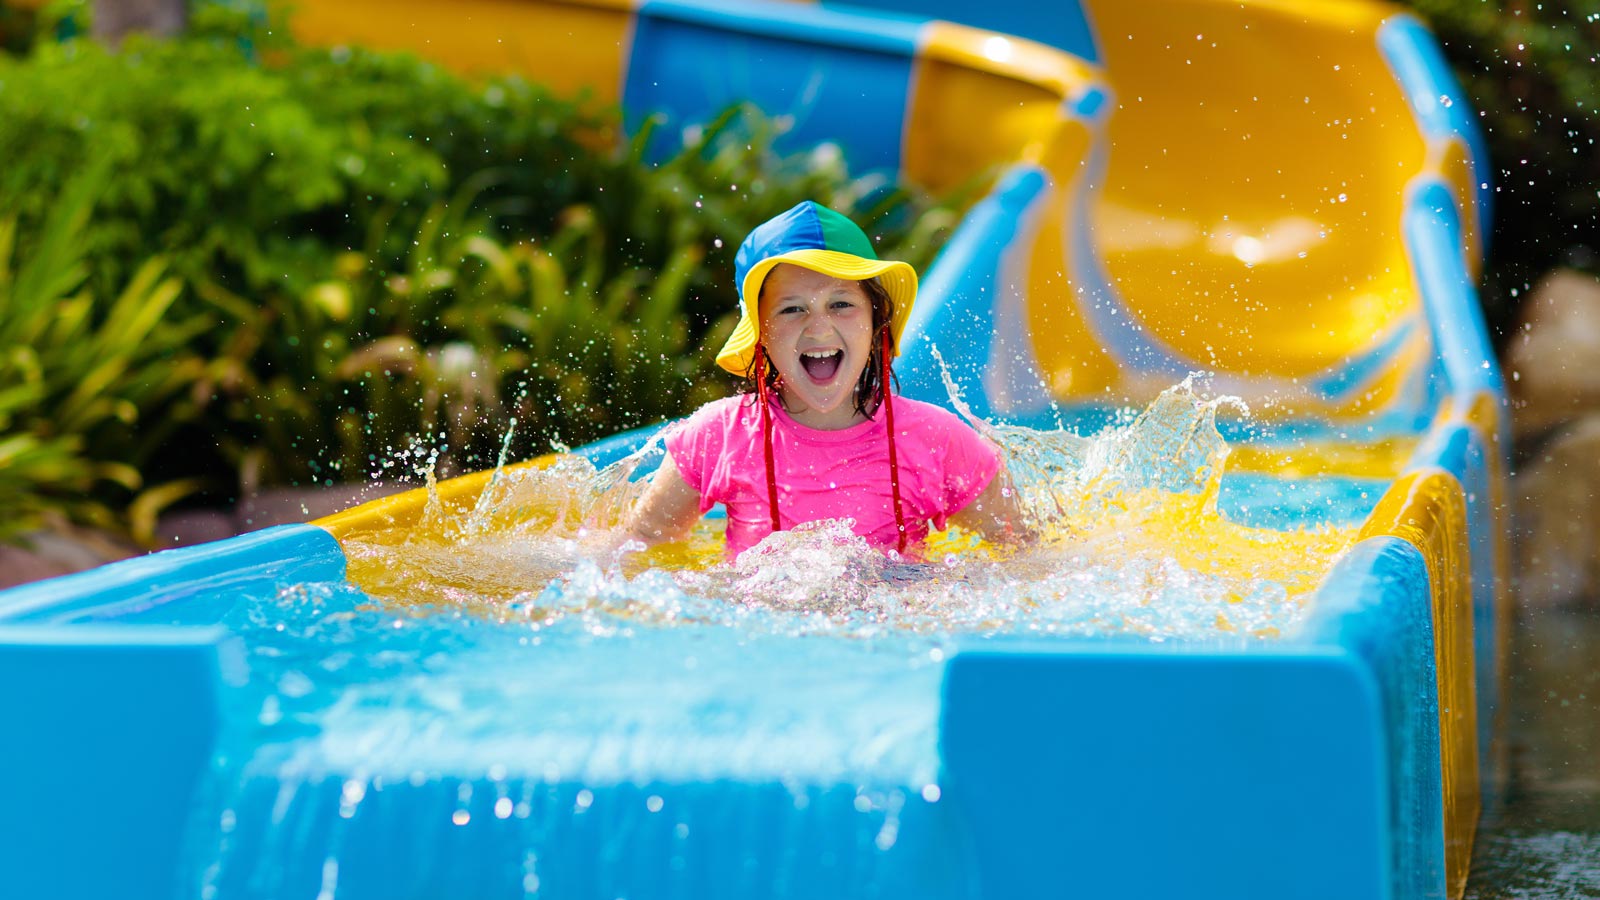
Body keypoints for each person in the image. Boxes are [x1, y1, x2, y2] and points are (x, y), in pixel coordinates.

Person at [624, 201, 1027, 559]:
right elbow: (639, 545)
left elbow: (1022, 549)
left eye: (841, 304)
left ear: (876, 320)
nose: (819, 327)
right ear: (760, 333)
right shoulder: (719, 436)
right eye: (792, 309)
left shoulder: (936, 439)